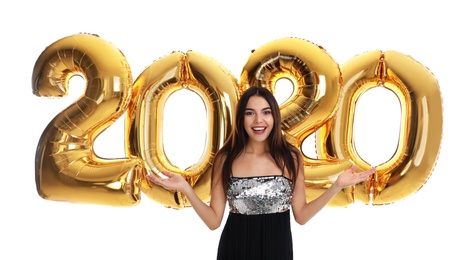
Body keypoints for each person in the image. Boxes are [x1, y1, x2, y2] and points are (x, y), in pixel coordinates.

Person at [146, 86, 376, 260]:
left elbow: (302, 216)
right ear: (241, 119)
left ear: (274, 117)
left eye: (266, 112)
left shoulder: (291, 157)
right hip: (234, 249)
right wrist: (186, 188)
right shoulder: (226, 159)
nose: (259, 120)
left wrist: (336, 186)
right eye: (250, 113)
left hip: (278, 250)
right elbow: (214, 221)